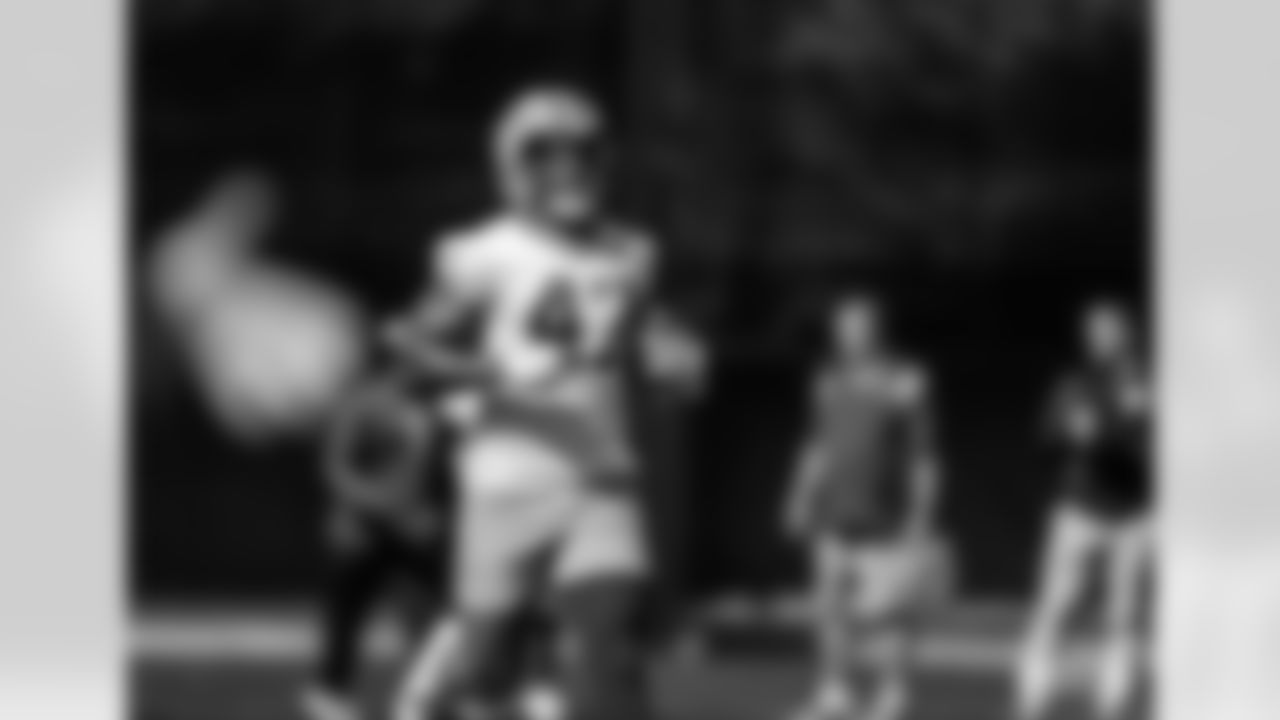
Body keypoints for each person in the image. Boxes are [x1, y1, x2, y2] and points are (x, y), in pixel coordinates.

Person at [385, 85, 706, 720]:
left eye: (583, 153)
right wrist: (468, 369)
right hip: (505, 485)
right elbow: (408, 347)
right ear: (512, 164)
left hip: (601, 482)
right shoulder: (481, 255)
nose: (570, 169)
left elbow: (642, 335)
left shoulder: (631, 254)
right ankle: (429, 698)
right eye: (548, 155)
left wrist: (674, 354)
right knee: (485, 664)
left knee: (610, 647)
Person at [783, 295, 944, 720]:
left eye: (859, 326)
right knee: (829, 607)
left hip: (886, 517)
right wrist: (799, 495)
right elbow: (817, 445)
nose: (851, 335)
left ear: (877, 330)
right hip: (834, 515)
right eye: (843, 327)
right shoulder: (827, 381)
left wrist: (922, 515)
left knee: (890, 614)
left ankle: (894, 696)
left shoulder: (905, 382)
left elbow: (924, 456)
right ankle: (836, 692)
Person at [1015, 301, 1152, 720]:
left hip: (1134, 513)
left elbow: (1147, 443)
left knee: (1123, 616)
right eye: (1093, 331)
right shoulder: (1071, 384)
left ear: (1127, 333)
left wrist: (1112, 428)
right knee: (1056, 606)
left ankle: (1112, 705)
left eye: (1109, 329)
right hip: (1079, 511)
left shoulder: (1148, 382)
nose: (1100, 338)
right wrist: (1070, 429)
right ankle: (1032, 700)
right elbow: (1047, 436)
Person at [300, 361, 451, 720]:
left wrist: (430, 513)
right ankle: (330, 691)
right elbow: (336, 468)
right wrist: (382, 507)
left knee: (450, 608)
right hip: (366, 524)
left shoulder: (439, 406)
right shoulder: (364, 402)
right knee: (347, 611)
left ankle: (433, 691)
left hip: (413, 526)